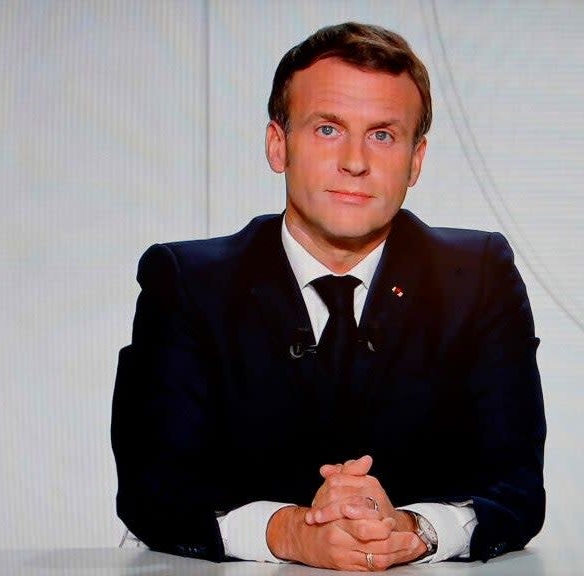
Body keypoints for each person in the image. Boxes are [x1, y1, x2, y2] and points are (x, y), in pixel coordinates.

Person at [111, 22, 545, 571]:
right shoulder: (185, 281)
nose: (356, 161)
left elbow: (520, 488)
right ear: (278, 144)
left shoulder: (479, 274)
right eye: (328, 129)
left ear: (416, 160)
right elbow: (152, 489)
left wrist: (415, 530)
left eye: (383, 134)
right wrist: (289, 532)